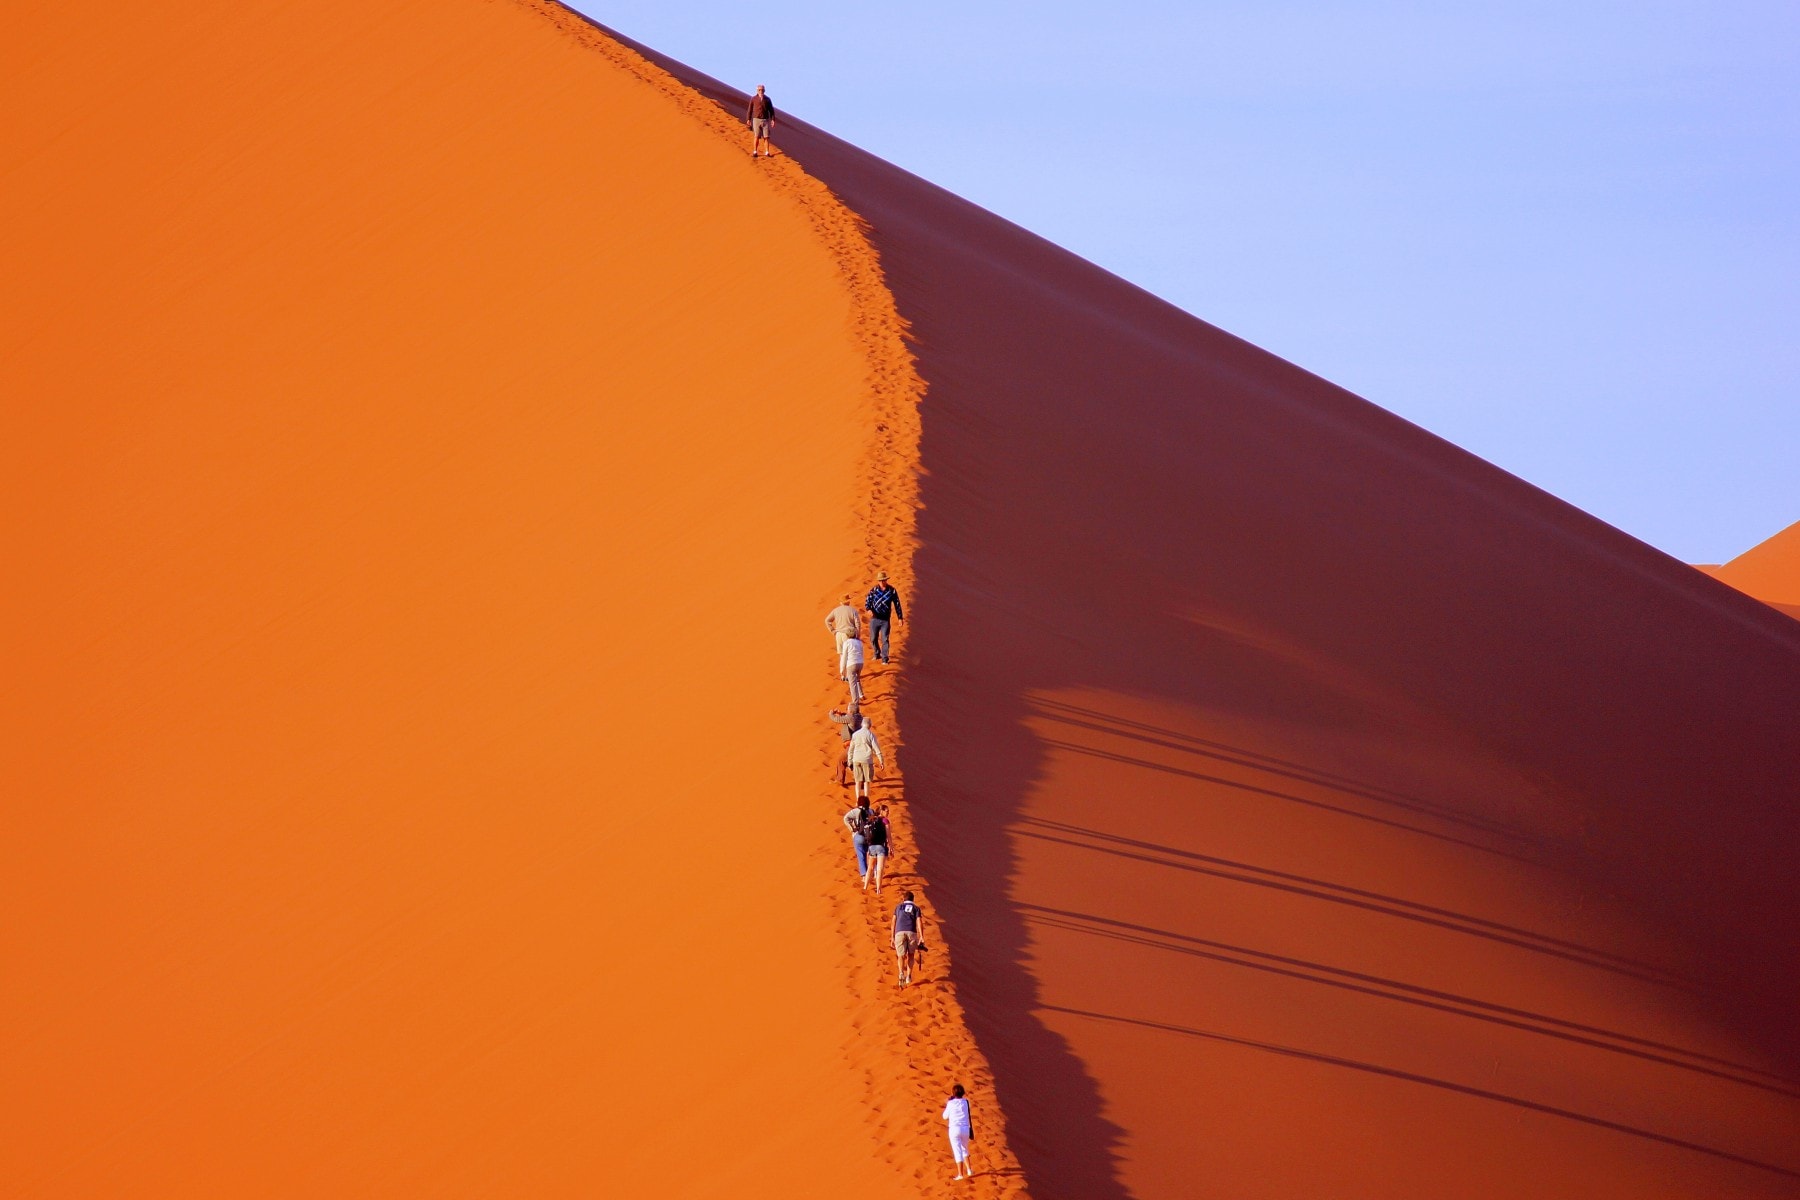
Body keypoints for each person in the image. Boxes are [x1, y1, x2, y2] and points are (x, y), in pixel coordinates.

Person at [865, 571, 904, 665]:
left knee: (885, 639)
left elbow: (897, 604)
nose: (882, 582)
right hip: (874, 618)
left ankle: (885, 658)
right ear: (878, 581)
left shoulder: (892, 590)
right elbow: (867, 602)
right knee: (873, 638)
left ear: (886, 580)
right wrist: (869, 610)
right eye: (880, 581)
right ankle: (877, 653)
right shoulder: (874, 590)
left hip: (885, 620)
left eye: (883, 580)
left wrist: (900, 618)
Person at [892, 891, 925, 987]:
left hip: (899, 932)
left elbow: (893, 922)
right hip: (912, 932)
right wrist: (921, 936)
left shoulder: (898, 907)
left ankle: (901, 973)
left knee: (900, 956)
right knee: (911, 955)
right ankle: (908, 976)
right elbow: (919, 921)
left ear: (904, 899)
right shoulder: (916, 908)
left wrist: (892, 937)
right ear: (913, 899)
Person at [943, 1084, 975, 1180]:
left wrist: (948, 1102)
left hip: (954, 1129)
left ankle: (960, 1174)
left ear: (953, 1093)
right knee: (964, 1148)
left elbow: (944, 1116)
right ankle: (969, 1170)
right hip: (965, 1129)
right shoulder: (966, 1102)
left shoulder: (950, 1103)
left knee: (957, 1151)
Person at [828, 701, 862, 783]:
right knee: (853, 763)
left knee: (841, 760)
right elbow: (848, 718)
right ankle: (861, 781)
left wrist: (831, 713)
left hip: (852, 745)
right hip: (856, 745)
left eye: (847, 709)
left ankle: (840, 780)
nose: (846, 710)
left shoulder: (850, 718)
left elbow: (836, 719)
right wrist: (842, 714)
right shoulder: (858, 717)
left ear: (850, 711)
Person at [847, 716, 882, 796]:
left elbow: (851, 749)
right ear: (870, 725)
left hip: (856, 760)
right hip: (867, 761)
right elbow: (877, 749)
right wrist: (881, 761)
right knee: (866, 782)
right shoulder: (871, 735)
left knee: (857, 782)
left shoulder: (855, 735)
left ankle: (858, 800)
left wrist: (849, 761)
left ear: (862, 724)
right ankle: (866, 800)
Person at [842, 799, 872, 881]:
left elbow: (845, 818)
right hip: (870, 837)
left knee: (861, 856)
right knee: (871, 856)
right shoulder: (871, 811)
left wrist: (852, 828)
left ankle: (864, 876)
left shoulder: (855, 811)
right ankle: (874, 873)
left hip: (858, 836)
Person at [864, 804, 891, 893]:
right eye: (887, 811)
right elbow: (888, 836)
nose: (888, 813)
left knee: (870, 868)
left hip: (871, 847)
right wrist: (891, 848)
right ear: (881, 811)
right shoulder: (885, 821)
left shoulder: (871, 819)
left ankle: (865, 887)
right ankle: (879, 889)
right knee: (879, 868)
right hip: (881, 847)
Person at [745, 85, 776, 158]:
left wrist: (773, 120)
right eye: (759, 90)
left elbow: (771, 110)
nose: (760, 91)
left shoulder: (767, 99)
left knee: (766, 137)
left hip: (765, 120)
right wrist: (748, 119)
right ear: (757, 90)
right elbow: (750, 109)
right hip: (756, 120)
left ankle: (767, 152)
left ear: (764, 91)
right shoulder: (753, 99)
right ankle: (755, 151)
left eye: (762, 90)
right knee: (756, 136)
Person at [839, 633, 866, 703]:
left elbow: (844, 657)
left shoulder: (847, 643)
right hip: (860, 663)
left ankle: (855, 702)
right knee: (857, 679)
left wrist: (842, 670)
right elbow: (862, 653)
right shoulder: (859, 642)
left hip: (851, 664)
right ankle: (861, 694)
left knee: (852, 683)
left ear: (848, 635)